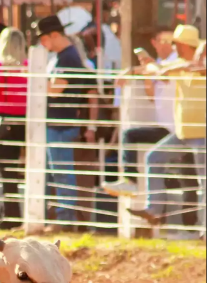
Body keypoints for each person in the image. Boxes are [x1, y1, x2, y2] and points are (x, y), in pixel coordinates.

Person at [118, 25, 205, 232]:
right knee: (153, 158)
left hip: (202, 132)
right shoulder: (179, 64)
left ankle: (203, 229)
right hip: (185, 132)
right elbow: (162, 72)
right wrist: (148, 65)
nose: (174, 47)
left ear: (185, 45)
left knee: (203, 182)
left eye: (176, 43)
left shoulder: (194, 65)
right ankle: (154, 210)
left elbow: (187, 69)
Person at [35, 15, 98, 233]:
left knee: (62, 171)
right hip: (63, 121)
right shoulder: (69, 56)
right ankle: (65, 216)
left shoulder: (66, 58)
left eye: (43, 38)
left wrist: (36, 80)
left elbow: (56, 89)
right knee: (60, 171)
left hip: (60, 122)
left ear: (54, 35)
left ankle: (64, 218)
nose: (42, 44)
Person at [103, 26, 179, 196]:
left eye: (171, 41)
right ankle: (136, 188)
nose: (168, 45)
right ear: (154, 43)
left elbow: (162, 72)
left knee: (154, 159)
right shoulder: (160, 63)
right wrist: (143, 71)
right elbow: (152, 94)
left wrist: (138, 70)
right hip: (168, 127)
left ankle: (133, 184)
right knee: (153, 160)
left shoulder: (175, 61)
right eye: (164, 41)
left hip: (178, 129)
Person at [0, 27, 28, 229]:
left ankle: (11, 216)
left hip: (5, 121)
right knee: (21, 171)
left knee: (6, 172)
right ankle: (12, 214)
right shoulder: (29, 67)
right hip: (26, 121)